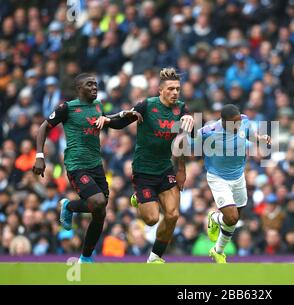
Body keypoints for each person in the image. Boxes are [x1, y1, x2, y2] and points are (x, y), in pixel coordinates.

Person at [32, 73, 140, 263]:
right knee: (98, 202)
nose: (94, 87)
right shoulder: (67, 108)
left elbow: (111, 123)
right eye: (89, 84)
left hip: (96, 165)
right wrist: (40, 155)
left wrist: (129, 115)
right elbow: (43, 128)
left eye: (96, 84)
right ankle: (70, 207)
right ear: (79, 88)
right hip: (76, 165)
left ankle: (85, 257)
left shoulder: (98, 106)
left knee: (101, 210)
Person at [95, 68, 194, 263]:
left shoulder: (181, 109)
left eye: (178, 89)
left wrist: (181, 170)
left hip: (166, 169)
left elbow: (182, 141)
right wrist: (106, 119)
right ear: (160, 90)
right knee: (151, 219)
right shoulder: (147, 106)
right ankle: (138, 197)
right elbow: (121, 122)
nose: (175, 92)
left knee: (173, 216)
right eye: (171, 89)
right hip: (143, 171)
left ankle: (155, 256)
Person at [184, 104, 270, 263]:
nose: (238, 125)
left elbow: (250, 135)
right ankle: (214, 218)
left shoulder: (244, 120)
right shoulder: (210, 132)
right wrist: (187, 126)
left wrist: (260, 138)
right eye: (234, 123)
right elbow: (191, 140)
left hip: (238, 177)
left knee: (235, 219)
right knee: (231, 218)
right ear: (223, 122)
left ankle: (218, 251)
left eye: (238, 121)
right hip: (218, 178)